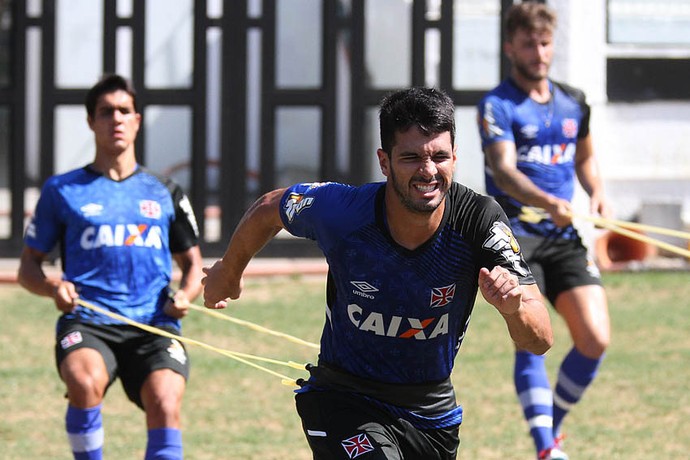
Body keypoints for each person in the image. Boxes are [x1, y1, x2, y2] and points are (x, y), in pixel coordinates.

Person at [203, 86, 553, 459]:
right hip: (343, 399)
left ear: (454, 158)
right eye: (411, 158)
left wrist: (513, 309)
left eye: (439, 156)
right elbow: (272, 206)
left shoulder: (478, 221)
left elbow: (540, 339)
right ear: (384, 162)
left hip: (431, 415)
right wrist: (229, 271)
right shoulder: (343, 212)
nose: (428, 171)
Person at [17, 74, 204, 460]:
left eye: (124, 111)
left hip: (153, 324)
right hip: (88, 323)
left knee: (166, 402)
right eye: (105, 112)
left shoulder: (164, 190)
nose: (115, 119)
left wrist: (186, 295)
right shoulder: (62, 190)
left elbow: (192, 263)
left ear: (137, 120)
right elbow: (28, 269)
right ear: (91, 122)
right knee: (84, 383)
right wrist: (53, 288)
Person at [477, 3, 612, 460]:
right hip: (514, 234)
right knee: (533, 334)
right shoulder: (497, 105)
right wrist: (547, 202)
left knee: (595, 339)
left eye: (545, 42)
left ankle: (548, 430)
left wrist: (595, 192)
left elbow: (585, 158)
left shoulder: (573, 100)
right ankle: (545, 448)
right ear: (510, 46)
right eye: (529, 43)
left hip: (564, 235)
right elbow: (504, 170)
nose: (539, 52)